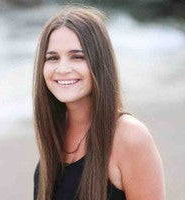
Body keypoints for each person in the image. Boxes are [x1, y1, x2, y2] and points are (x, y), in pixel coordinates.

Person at [33, 5, 165, 200]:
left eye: (77, 57)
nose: (62, 68)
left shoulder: (129, 136)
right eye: (53, 58)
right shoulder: (54, 135)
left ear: (99, 62)